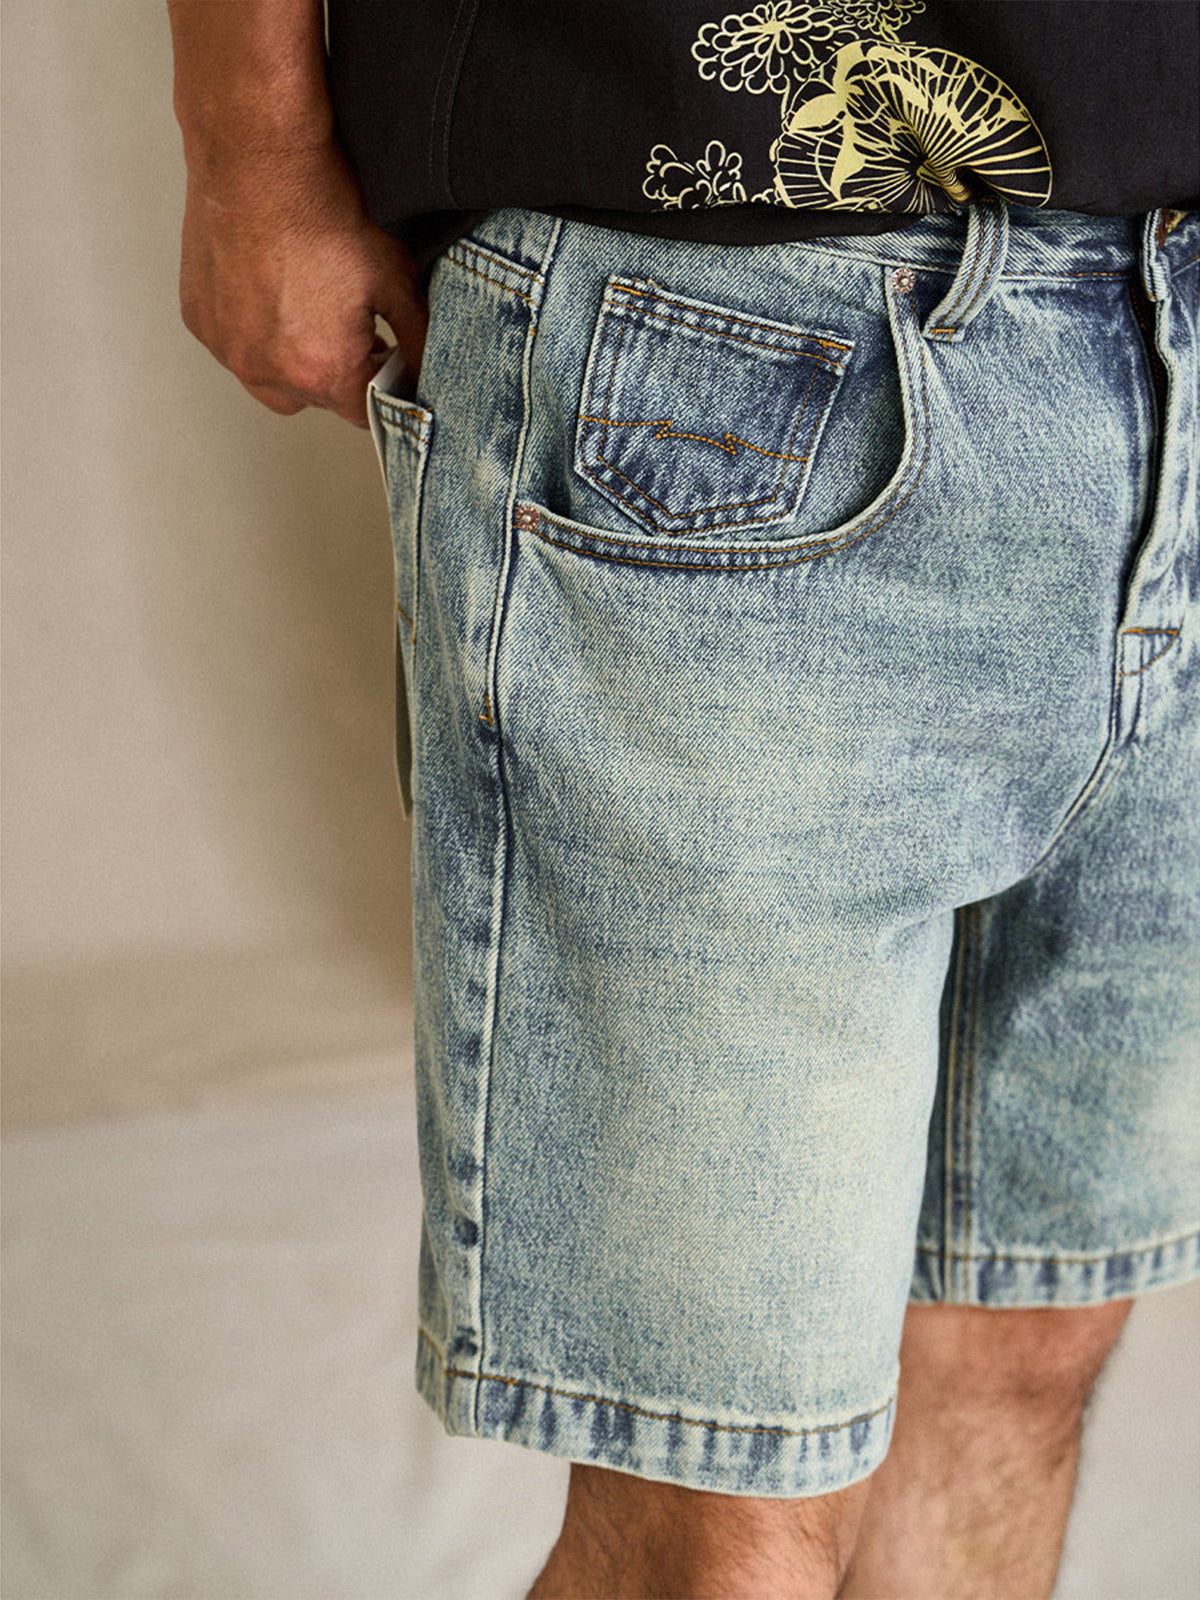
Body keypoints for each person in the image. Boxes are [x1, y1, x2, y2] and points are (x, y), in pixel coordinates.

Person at [167, 3, 1199, 1595]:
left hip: (1172, 262)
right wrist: (253, 150)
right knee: (715, 1525)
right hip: (718, 289)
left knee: (1019, 1358)